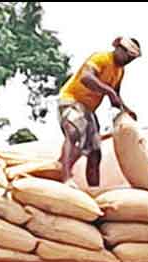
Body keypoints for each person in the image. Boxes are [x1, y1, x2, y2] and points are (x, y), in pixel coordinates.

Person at [57, 37, 141, 187]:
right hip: (72, 100)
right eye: (127, 56)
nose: (128, 60)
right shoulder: (101, 58)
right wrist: (108, 91)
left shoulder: (119, 72)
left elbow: (115, 96)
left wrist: (126, 110)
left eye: (132, 59)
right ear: (119, 49)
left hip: (89, 110)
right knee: (74, 131)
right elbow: (86, 78)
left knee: (95, 151)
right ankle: (65, 176)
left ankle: (94, 190)